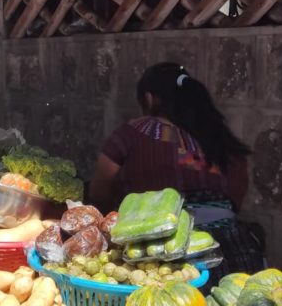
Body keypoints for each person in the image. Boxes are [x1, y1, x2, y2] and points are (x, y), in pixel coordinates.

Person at [88, 62, 260, 279]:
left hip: (167, 254)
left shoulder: (132, 134)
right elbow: (236, 197)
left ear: (150, 99)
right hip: (235, 250)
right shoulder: (219, 137)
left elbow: (98, 192)